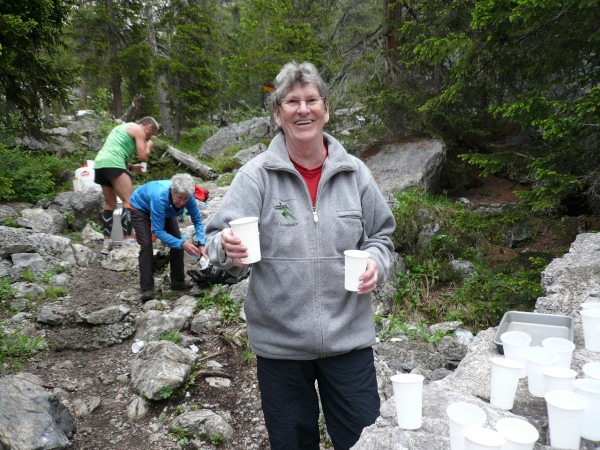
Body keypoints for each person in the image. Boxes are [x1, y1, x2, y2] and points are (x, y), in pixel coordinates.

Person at [204, 62, 395, 450]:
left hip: (349, 343)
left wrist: (376, 262)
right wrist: (228, 249)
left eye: (311, 100)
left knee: (363, 441)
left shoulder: (355, 174)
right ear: (278, 114)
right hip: (281, 349)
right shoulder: (255, 176)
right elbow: (214, 240)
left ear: (326, 109)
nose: (303, 109)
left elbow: (381, 236)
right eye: (292, 101)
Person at [130, 173, 207, 302]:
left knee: (177, 238)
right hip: (140, 207)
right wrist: (182, 244)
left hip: (166, 209)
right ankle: (147, 288)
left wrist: (202, 243)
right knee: (146, 244)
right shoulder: (160, 197)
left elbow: (197, 221)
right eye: (179, 198)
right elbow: (157, 231)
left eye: (185, 199)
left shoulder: (188, 197)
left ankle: (178, 281)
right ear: (172, 192)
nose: (182, 202)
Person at [93, 116, 159, 254]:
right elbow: (143, 157)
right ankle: (128, 240)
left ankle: (107, 242)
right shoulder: (139, 130)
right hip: (114, 163)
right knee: (129, 201)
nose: (149, 137)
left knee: (110, 203)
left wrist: (131, 167)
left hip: (100, 164)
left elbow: (114, 150)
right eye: (151, 134)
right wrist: (148, 147)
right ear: (149, 127)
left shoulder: (121, 128)